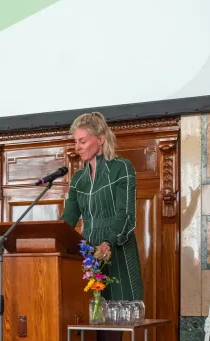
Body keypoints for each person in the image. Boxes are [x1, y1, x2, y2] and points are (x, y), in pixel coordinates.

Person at [60, 112, 143, 340]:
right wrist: (53, 237)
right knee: (90, 322)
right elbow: (67, 219)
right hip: (88, 255)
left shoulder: (121, 168)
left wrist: (108, 243)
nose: (77, 147)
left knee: (114, 326)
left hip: (117, 250)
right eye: (75, 141)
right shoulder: (78, 179)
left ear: (101, 138)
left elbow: (125, 215)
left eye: (82, 141)